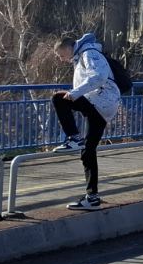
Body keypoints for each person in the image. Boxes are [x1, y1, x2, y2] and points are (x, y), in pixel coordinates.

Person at [50, 33, 123, 211]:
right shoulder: (83, 55)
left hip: (101, 100)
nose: (61, 59)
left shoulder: (88, 53)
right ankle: (93, 197)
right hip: (102, 107)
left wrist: (74, 93)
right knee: (88, 151)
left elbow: (99, 77)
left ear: (68, 48)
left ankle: (73, 137)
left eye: (61, 55)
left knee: (58, 99)